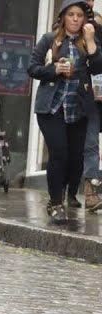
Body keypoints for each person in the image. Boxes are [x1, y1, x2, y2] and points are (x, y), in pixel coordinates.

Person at [28, 0, 102, 224]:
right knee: (58, 152)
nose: (76, 19)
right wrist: (54, 70)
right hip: (51, 108)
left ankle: (66, 195)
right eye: (71, 15)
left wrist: (90, 41)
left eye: (80, 15)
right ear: (63, 17)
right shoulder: (50, 40)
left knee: (74, 159)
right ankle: (56, 202)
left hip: (78, 109)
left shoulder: (88, 42)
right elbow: (32, 67)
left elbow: (98, 69)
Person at [78, 0, 102, 211]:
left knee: (91, 142)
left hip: (95, 95)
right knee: (83, 144)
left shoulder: (97, 27)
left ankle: (91, 193)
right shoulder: (67, 28)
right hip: (79, 95)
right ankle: (75, 192)